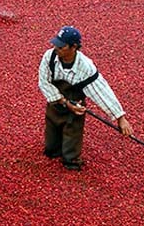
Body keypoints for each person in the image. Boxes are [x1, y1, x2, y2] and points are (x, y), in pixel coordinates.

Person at [36, 25, 133, 171]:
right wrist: (63, 101)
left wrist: (120, 118)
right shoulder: (49, 57)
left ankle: (71, 161)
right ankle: (55, 150)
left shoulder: (85, 67)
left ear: (73, 47)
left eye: (61, 46)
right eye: (56, 44)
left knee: (72, 137)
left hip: (75, 106)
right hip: (55, 102)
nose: (56, 48)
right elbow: (44, 82)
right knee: (51, 148)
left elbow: (101, 91)